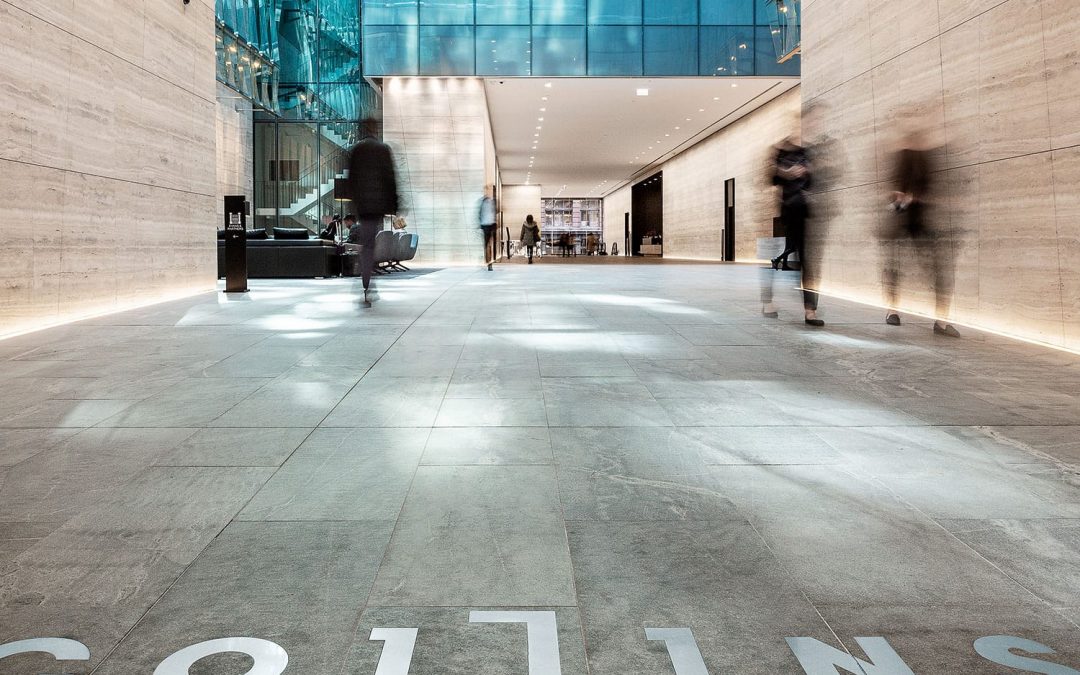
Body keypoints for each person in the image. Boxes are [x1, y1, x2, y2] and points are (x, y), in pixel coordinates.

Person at [881, 126, 960, 337]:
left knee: (937, 268)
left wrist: (914, 198)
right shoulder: (902, 156)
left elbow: (931, 189)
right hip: (900, 218)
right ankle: (892, 311)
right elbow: (889, 188)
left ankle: (941, 321)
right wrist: (899, 197)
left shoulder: (926, 158)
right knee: (894, 266)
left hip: (920, 218)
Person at [762, 136, 823, 327]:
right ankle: (767, 301)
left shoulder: (806, 152)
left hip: (804, 213)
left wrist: (809, 172)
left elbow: (811, 183)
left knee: (808, 262)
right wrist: (786, 173)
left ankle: (810, 311)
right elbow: (771, 179)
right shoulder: (779, 151)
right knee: (777, 259)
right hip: (786, 213)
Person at [343, 117, 399, 307]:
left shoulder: (357, 150)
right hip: (378, 205)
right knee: (370, 244)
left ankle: (366, 281)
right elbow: (390, 178)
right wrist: (395, 204)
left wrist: (353, 204)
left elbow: (350, 179)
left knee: (367, 245)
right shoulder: (383, 149)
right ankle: (367, 282)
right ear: (375, 129)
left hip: (363, 205)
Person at [478, 186, 497, 271]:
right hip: (487, 225)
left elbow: (479, 214)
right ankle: (489, 262)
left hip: (490, 225)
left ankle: (489, 262)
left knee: (488, 244)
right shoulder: (484, 202)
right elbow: (479, 214)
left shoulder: (490, 202)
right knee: (488, 245)